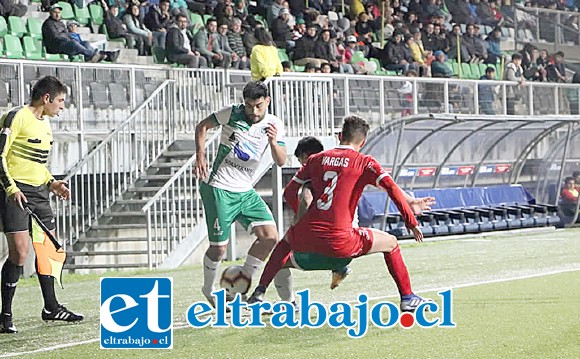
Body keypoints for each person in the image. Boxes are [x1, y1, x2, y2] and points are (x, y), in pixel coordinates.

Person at [248, 115, 434, 312]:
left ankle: (259, 292)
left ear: (339, 136)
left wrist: (300, 218)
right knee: (391, 243)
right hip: (341, 243)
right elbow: (391, 188)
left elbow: (290, 192)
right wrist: (410, 219)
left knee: (285, 244)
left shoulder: (315, 160)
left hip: (308, 240)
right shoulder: (364, 162)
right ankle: (407, 297)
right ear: (362, 142)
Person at [0, 76, 84, 334]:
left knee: (49, 250)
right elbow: (0, 156)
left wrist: (52, 183)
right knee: (20, 253)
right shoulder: (16, 117)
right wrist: (11, 188)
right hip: (14, 191)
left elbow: (36, 164)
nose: (62, 106)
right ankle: (5, 316)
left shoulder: (45, 123)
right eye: (60, 101)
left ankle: (51, 307)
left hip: (39, 194)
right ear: (46, 98)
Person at [194, 81, 286, 307]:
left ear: (267, 102)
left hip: (245, 190)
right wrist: (201, 155)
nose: (253, 111)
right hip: (219, 187)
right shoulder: (232, 113)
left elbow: (281, 161)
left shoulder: (274, 124)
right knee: (219, 248)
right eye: (249, 106)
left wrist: (273, 142)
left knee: (270, 237)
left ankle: (241, 282)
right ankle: (209, 290)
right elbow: (202, 126)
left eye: (258, 106)